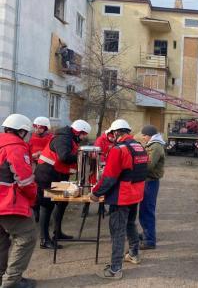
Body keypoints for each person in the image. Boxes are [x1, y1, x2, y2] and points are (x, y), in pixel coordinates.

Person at [90, 119, 148, 280]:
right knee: (130, 224)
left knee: (117, 231)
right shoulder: (139, 147)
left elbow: (109, 177)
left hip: (121, 196)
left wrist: (96, 192)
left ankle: (115, 269)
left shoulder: (119, 149)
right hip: (135, 194)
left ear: (116, 133)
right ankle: (134, 254)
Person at [35, 119, 91, 249]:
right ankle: (44, 240)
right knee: (46, 206)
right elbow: (64, 157)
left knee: (62, 202)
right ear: (78, 131)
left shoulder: (69, 139)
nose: (84, 137)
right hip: (46, 176)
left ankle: (57, 232)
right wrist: (83, 155)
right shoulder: (63, 139)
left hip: (57, 176)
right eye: (83, 134)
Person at [0, 114, 37, 288]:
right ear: (21, 131)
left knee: (1, 240)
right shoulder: (15, 147)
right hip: (8, 203)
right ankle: (11, 282)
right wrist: (33, 197)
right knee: (26, 236)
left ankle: (2, 277)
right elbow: (25, 180)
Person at [138, 125, 165, 250]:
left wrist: (135, 167)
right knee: (144, 210)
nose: (143, 138)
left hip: (150, 182)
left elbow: (149, 166)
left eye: (144, 135)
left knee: (147, 211)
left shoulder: (155, 146)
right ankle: (146, 234)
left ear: (149, 135)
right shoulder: (152, 145)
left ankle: (149, 240)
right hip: (148, 181)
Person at [28, 116, 53, 223]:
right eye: (36, 127)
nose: (37, 129)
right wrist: (32, 156)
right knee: (34, 187)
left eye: (40, 127)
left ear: (46, 128)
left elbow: (52, 152)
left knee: (44, 190)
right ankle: (35, 209)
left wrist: (41, 154)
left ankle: (45, 212)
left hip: (46, 167)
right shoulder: (30, 138)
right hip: (32, 165)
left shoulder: (51, 139)